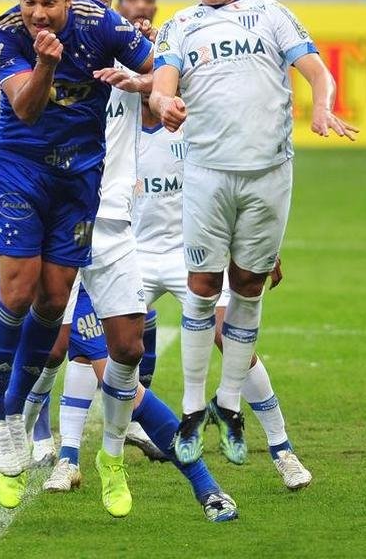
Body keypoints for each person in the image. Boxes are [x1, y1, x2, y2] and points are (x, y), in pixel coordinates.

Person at [0, 120, 238, 523]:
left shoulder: (76, 112)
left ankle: (207, 488)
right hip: (21, 277)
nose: (1, 92)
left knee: (122, 384)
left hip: (78, 268)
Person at [148, 0, 357, 467]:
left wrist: (321, 104)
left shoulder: (271, 14)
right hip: (207, 175)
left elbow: (317, 70)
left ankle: (229, 403)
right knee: (202, 287)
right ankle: (193, 407)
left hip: (269, 175)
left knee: (247, 285)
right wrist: (165, 104)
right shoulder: (179, 26)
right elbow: (162, 85)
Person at [0, 0, 156, 518]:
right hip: (20, 168)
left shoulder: (100, 23)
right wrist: (46, 65)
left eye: (49, 2)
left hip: (79, 177)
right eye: (28, 1)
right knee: (17, 290)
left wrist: (148, 83)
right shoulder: (5, 33)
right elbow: (26, 109)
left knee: (54, 301)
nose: (38, 13)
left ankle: (18, 406)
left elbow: (161, 67)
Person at [135, 100, 312, 489]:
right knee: (85, 341)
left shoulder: (195, 124)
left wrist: (259, 245)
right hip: (133, 253)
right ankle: (57, 446)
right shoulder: (114, 121)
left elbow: (229, 192)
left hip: (192, 254)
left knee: (229, 338)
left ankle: (282, 448)